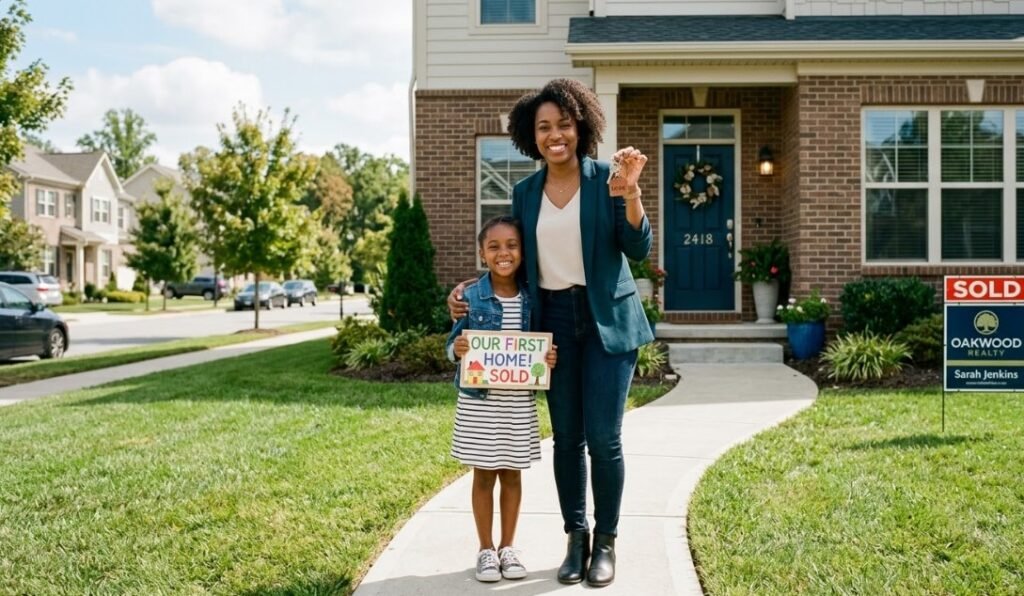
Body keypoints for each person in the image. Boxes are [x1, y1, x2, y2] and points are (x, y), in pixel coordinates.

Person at [448, 78, 653, 587]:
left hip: (607, 320)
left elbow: (638, 246)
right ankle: (575, 538)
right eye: (544, 127)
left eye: (563, 123)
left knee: (604, 439)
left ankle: (605, 543)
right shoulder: (524, 192)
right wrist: (469, 294)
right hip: (553, 325)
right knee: (566, 440)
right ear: (530, 135)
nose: (555, 134)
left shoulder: (606, 177)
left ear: (580, 125)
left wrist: (630, 195)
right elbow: (511, 262)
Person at [446, 215, 559, 583]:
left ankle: (508, 547)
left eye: (511, 245)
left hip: (516, 403)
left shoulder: (532, 297)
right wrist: (458, 349)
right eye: (493, 246)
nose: (503, 253)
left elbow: (539, 346)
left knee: (511, 474)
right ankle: (485, 550)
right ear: (482, 253)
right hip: (480, 402)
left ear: (523, 253)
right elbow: (453, 343)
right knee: (483, 474)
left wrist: (547, 358)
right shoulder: (472, 297)